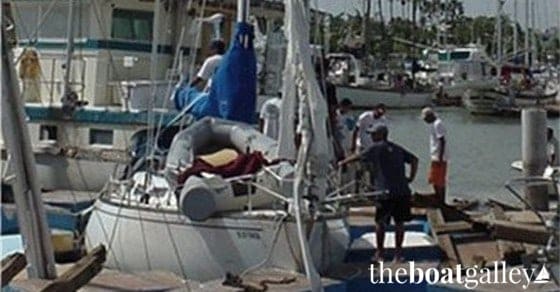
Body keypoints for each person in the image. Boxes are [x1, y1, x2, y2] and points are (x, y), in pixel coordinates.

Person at [338, 124, 418, 263]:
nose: (372, 136)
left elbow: (358, 156)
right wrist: (411, 178)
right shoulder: (397, 148)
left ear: (381, 134)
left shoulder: (376, 148)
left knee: (380, 223)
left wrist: (343, 162)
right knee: (400, 223)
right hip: (402, 191)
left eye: (374, 134)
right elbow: (414, 160)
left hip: (385, 192)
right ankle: (398, 255)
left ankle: (380, 253)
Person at [421, 107, 448, 205]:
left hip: (439, 157)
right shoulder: (434, 124)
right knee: (434, 180)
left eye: (425, 118)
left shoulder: (437, 124)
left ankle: (441, 202)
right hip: (435, 157)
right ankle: (439, 199)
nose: (424, 120)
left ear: (430, 116)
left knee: (439, 181)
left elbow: (442, 141)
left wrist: (440, 157)